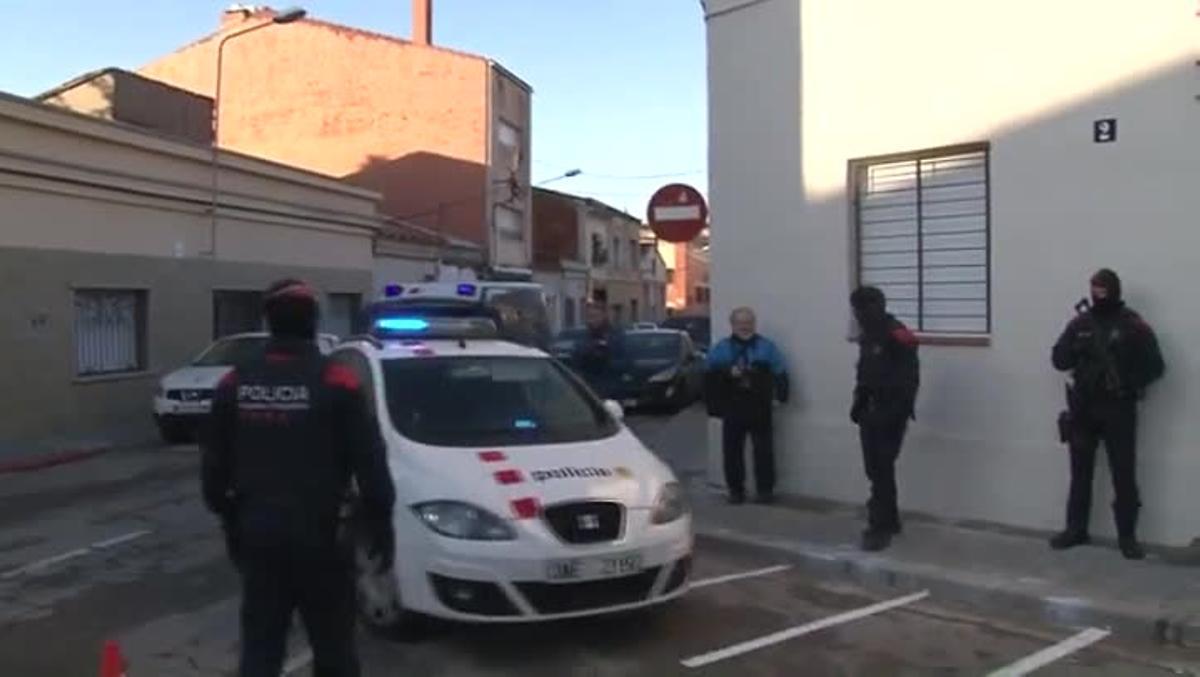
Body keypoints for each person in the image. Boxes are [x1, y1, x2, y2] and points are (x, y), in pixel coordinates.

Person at [201, 279, 396, 677]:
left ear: (268, 322)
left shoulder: (235, 383)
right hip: (322, 538)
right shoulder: (338, 381)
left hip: (260, 537)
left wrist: (231, 518)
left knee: (261, 647)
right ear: (313, 321)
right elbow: (370, 462)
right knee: (334, 648)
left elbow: (213, 467)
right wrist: (380, 522)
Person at [1050, 269, 1164, 560]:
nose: (1098, 294)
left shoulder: (1133, 325)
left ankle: (1127, 537)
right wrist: (1076, 348)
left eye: (1103, 289)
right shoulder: (1080, 323)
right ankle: (1076, 529)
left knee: (1123, 473)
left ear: (1115, 290)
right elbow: (1058, 359)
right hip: (1084, 407)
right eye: (1094, 288)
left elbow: (1156, 366)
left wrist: (1129, 383)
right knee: (1080, 473)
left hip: (1118, 408)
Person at [849, 286, 919, 552]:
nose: (860, 314)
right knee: (875, 468)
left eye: (864, 308)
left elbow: (910, 377)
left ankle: (880, 525)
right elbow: (865, 373)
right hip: (870, 410)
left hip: (891, 411)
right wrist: (858, 403)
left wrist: (900, 410)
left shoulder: (897, 334)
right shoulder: (868, 335)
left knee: (881, 468)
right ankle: (888, 518)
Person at [705, 307, 789, 505]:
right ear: (732, 325)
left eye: (748, 322)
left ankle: (765, 491)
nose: (745, 326)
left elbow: (780, 372)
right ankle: (735, 491)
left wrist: (781, 396)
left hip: (759, 405)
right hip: (733, 405)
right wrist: (726, 374)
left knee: (764, 450)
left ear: (754, 323)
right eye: (740, 322)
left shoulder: (767, 347)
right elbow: (708, 377)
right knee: (732, 451)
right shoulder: (721, 349)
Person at [570, 302, 628, 400]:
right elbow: (576, 362)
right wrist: (589, 352)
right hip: (589, 389)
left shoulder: (615, 336)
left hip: (611, 390)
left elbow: (625, 362)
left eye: (595, 316)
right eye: (589, 317)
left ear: (604, 316)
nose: (592, 320)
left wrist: (606, 354)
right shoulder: (583, 337)